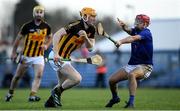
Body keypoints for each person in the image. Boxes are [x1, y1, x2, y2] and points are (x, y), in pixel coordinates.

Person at [44, 7, 97, 108]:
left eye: (95, 16)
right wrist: (55, 53)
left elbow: (90, 48)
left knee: (62, 84)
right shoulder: (75, 25)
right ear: (85, 16)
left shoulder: (92, 29)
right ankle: (55, 92)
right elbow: (56, 35)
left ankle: (50, 102)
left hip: (66, 58)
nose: (94, 19)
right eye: (92, 16)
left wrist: (85, 38)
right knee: (77, 79)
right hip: (57, 56)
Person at [5, 5, 52, 102]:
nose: (39, 14)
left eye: (41, 12)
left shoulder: (47, 26)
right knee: (17, 76)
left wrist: (46, 45)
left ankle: (32, 95)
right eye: (37, 12)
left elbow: (50, 37)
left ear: (43, 14)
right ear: (34, 13)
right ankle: (10, 93)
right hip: (26, 56)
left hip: (39, 56)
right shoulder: (27, 26)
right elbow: (18, 39)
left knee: (38, 75)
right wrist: (14, 52)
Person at [105, 14, 153, 108]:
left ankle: (131, 103)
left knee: (132, 74)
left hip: (145, 66)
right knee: (112, 81)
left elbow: (133, 38)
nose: (136, 23)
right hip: (131, 65)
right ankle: (115, 98)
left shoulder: (146, 33)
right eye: (136, 20)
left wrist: (120, 41)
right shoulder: (136, 30)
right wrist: (123, 26)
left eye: (138, 22)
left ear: (144, 24)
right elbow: (129, 31)